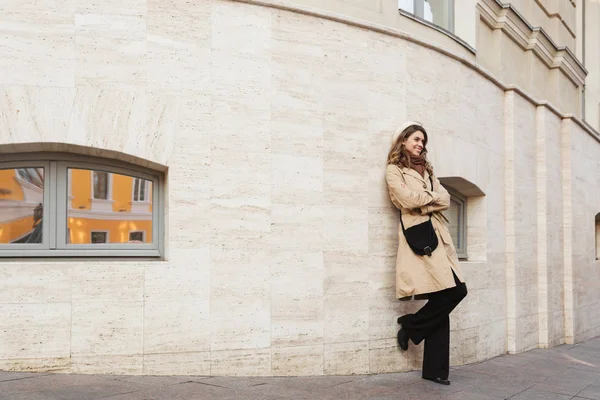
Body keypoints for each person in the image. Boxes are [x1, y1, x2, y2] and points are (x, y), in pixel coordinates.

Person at [385, 121, 468, 386]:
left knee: (452, 291)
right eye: (416, 139)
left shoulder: (429, 171)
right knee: (451, 292)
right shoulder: (394, 170)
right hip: (421, 238)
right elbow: (404, 200)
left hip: (440, 238)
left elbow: (446, 199)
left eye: (423, 141)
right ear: (403, 141)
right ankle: (421, 343)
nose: (420, 144)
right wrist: (429, 200)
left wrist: (425, 199)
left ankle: (414, 330)